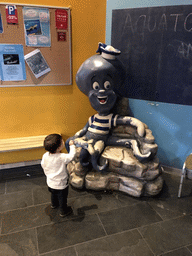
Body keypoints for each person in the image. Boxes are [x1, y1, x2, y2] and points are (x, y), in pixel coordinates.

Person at [41, 133, 76, 217]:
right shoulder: (62, 157)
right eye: (62, 141)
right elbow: (71, 156)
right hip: (61, 184)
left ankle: (54, 204)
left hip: (50, 182)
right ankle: (63, 211)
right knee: (62, 199)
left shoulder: (45, 155)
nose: (63, 141)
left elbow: (43, 165)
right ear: (59, 147)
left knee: (53, 194)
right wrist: (72, 146)